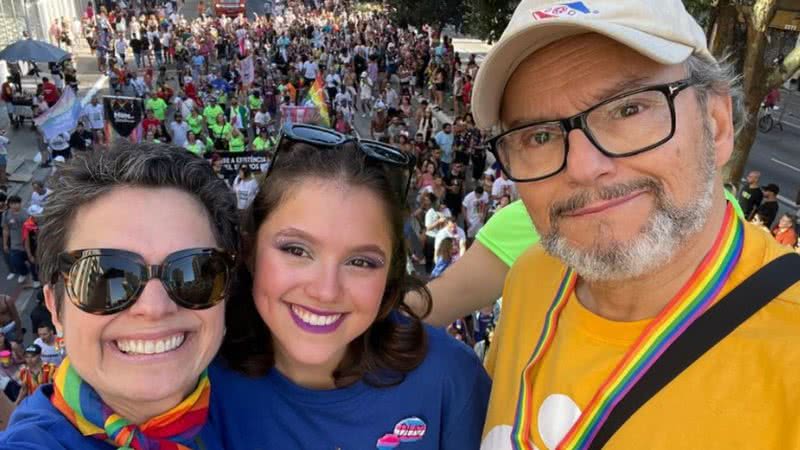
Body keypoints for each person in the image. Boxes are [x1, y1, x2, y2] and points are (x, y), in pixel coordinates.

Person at [468, 0, 800, 448]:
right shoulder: (532, 277)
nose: (585, 167)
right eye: (539, 136)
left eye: (628, 110)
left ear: (717, 124)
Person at [210, 124, 490, 448]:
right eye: (296, 250)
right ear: (250, 250)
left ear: (390, 274)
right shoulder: (196, 386)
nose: (326, 291)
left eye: (360, 262)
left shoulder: (451, 381)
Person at [0, 143, 239, 449]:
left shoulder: (260, 405)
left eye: (194, 272)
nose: (154, 308)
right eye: (106, 276)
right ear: (55, 309)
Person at [3, 196, 30, 285]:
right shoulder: (6, 214)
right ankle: (24, 272)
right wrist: (5, 244)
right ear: (9, 204)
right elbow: (6, 230)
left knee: (33, 261)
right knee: (16, 261)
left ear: (20, 203)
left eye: (16, 203)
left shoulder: (27, 213)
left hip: (28, 242)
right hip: (15, 244)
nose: (14, 205)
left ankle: (35, 277)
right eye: (12, 204)